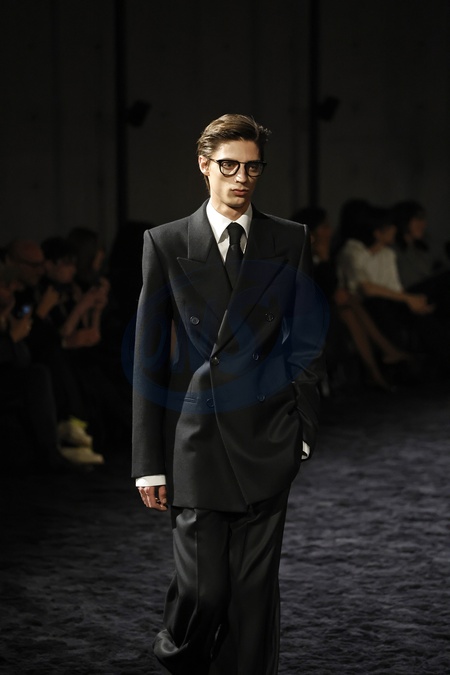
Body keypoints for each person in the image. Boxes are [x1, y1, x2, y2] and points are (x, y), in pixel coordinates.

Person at [132, 113, 329, 675]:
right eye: (229, 166)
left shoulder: (288, 238)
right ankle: (178, 655)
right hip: (195, 441)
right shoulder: (167, 241)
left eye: (252, 167)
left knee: (253, 596)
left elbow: (306, 340)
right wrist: (148, 463)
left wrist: (302, 430)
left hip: (268, 435)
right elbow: (149, 358)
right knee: (205, 592)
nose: (242, 178)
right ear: (204, 166)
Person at [292, 206, 410, 392]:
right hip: (305, 313)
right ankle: (385, 355)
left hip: (328, 310)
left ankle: (375, 372)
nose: (330, 231)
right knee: (348, 302)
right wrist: (324, 259)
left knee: (348, 307)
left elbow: (330, 287)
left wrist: (326, 261)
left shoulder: (322, 255)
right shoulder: (299, 255)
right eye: (324, 227)